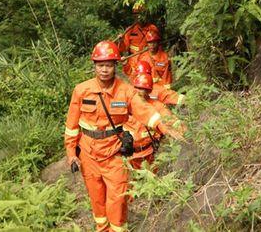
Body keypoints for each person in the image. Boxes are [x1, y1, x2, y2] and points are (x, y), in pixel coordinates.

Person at [64, 41, 181, 232]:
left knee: (118, 199)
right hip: (88, 154)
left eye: (108, 65)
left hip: (114, 154)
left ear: (115, 66)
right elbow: (71, 127)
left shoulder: (125, 90)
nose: (104, 70)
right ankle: (102, 229)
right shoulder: (81, 90)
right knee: (97, 200)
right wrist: (71, 153)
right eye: (100, 65)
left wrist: (164, 126)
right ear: (94, 65)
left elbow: (144, 110)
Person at [125, 73, 187, 170]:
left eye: (142, 89)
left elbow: (169, 119)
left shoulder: (157, 106)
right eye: (136, 88)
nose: (139, 91)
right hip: (128, 156)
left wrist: (183, 131)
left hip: (149, 153)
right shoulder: (125, 106)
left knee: (151, 179)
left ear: (148, 91)